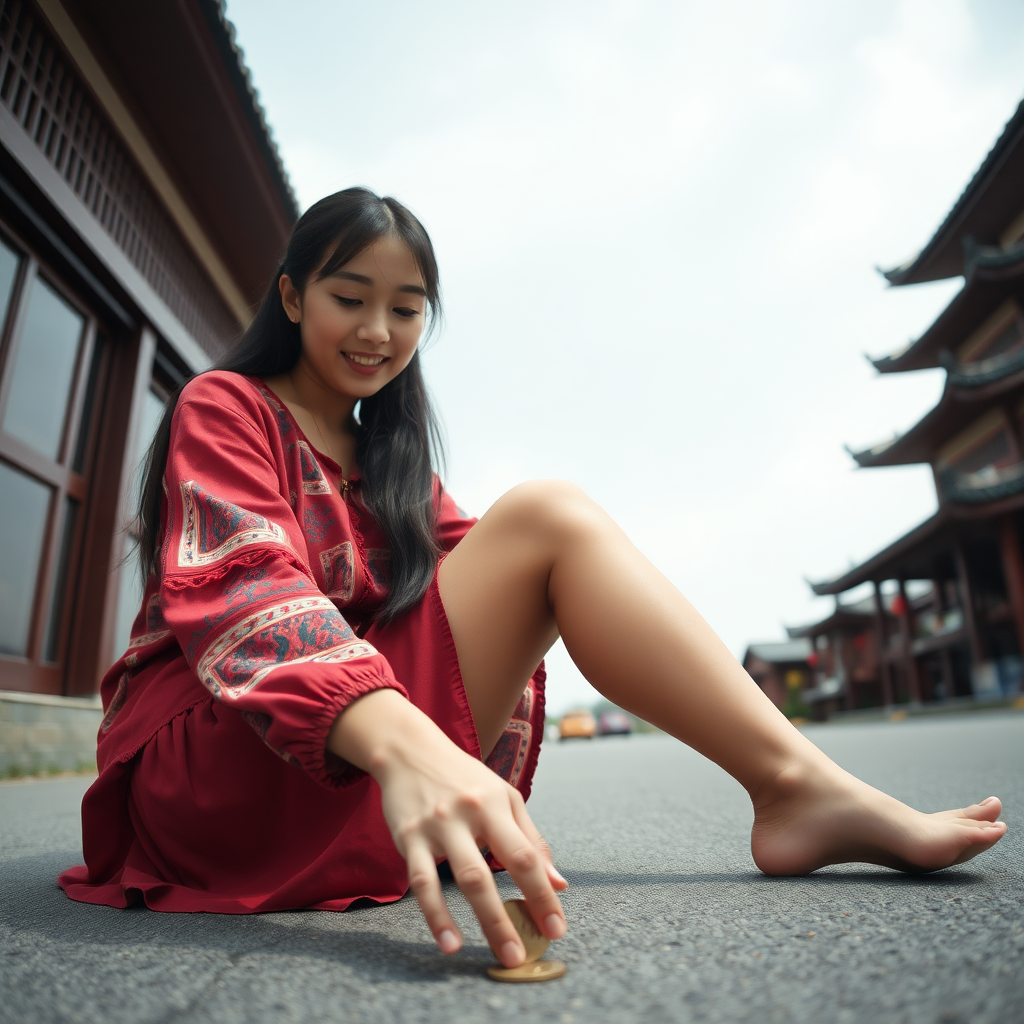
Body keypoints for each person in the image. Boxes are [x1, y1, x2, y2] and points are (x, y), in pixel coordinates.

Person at [60, 188, 1007, 969]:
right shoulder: (227, 406)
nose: (379, 331)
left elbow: (496, 577)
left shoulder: (391, 460)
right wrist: (414, 750)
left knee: (549, 526)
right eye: (351, 297)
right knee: (547, 514)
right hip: (220, 763)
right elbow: (245, 591)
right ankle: (797, 787)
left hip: (355, 759)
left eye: (407, 307)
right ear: (294, 297)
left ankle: (796, 784)